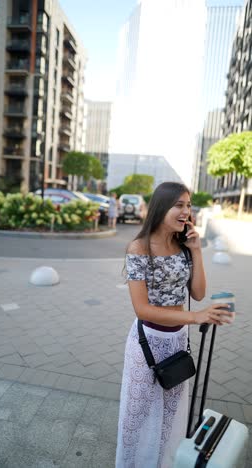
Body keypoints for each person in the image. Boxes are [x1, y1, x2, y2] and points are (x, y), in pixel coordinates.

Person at [115, 182, 233, 468]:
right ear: (161, 207)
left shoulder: (182, 246)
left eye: (188, 205)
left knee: (171, 412)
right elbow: (142, 309)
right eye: (179, 205)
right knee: (140, 411)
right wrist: (197, 317)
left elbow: (198, 294)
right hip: (147, 343)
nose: (186, 211)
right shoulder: (139, 247)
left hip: (177, 340)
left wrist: (197, 251)